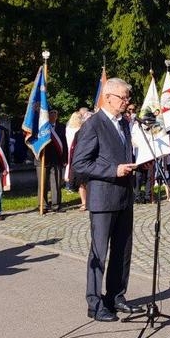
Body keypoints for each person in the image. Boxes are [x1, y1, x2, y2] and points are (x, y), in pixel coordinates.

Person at [72, 78, 147, 322]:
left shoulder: (124, 124)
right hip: (103, 198)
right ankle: (94, 303)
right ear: (108, 97)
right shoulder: (93, 125)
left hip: (125, 196)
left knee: (122, 251)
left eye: (128, 98)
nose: (127, 102)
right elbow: (80, 164)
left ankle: (116, 296)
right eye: (123, 97)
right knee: (99, 253)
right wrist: (113, 170)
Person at [39, 108, 67, 212]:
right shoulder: (42, 127)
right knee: (43, 183)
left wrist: (64, 158)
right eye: (51, 113)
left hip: (57, 159)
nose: (53, 115)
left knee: (56, 183)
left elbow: (64, 143)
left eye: (55, 113)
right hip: (43, 159)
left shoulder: (61, 127)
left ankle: (56, 204)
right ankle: (44, 205)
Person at [65, 107, 93, 211]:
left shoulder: (92, 132)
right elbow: (73, 148)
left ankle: (90, 202)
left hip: (91, 162)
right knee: (81, 183)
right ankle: (84, 203)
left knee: (89, 184)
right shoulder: (78, 133)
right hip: (80, 162)